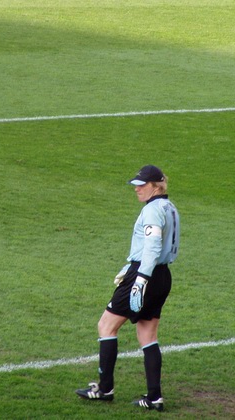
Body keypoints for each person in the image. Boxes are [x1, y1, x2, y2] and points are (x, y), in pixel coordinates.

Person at [75, 164, 180, 412]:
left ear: (156, 186)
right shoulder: (170, 207)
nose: (137, 189)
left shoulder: (152, 210)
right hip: (162, 276)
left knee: (106, 325)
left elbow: (153, 246)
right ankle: (154, 397)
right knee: (148, 335)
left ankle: (104, 389)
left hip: (145, 274)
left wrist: (140, 278)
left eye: (142, 185)